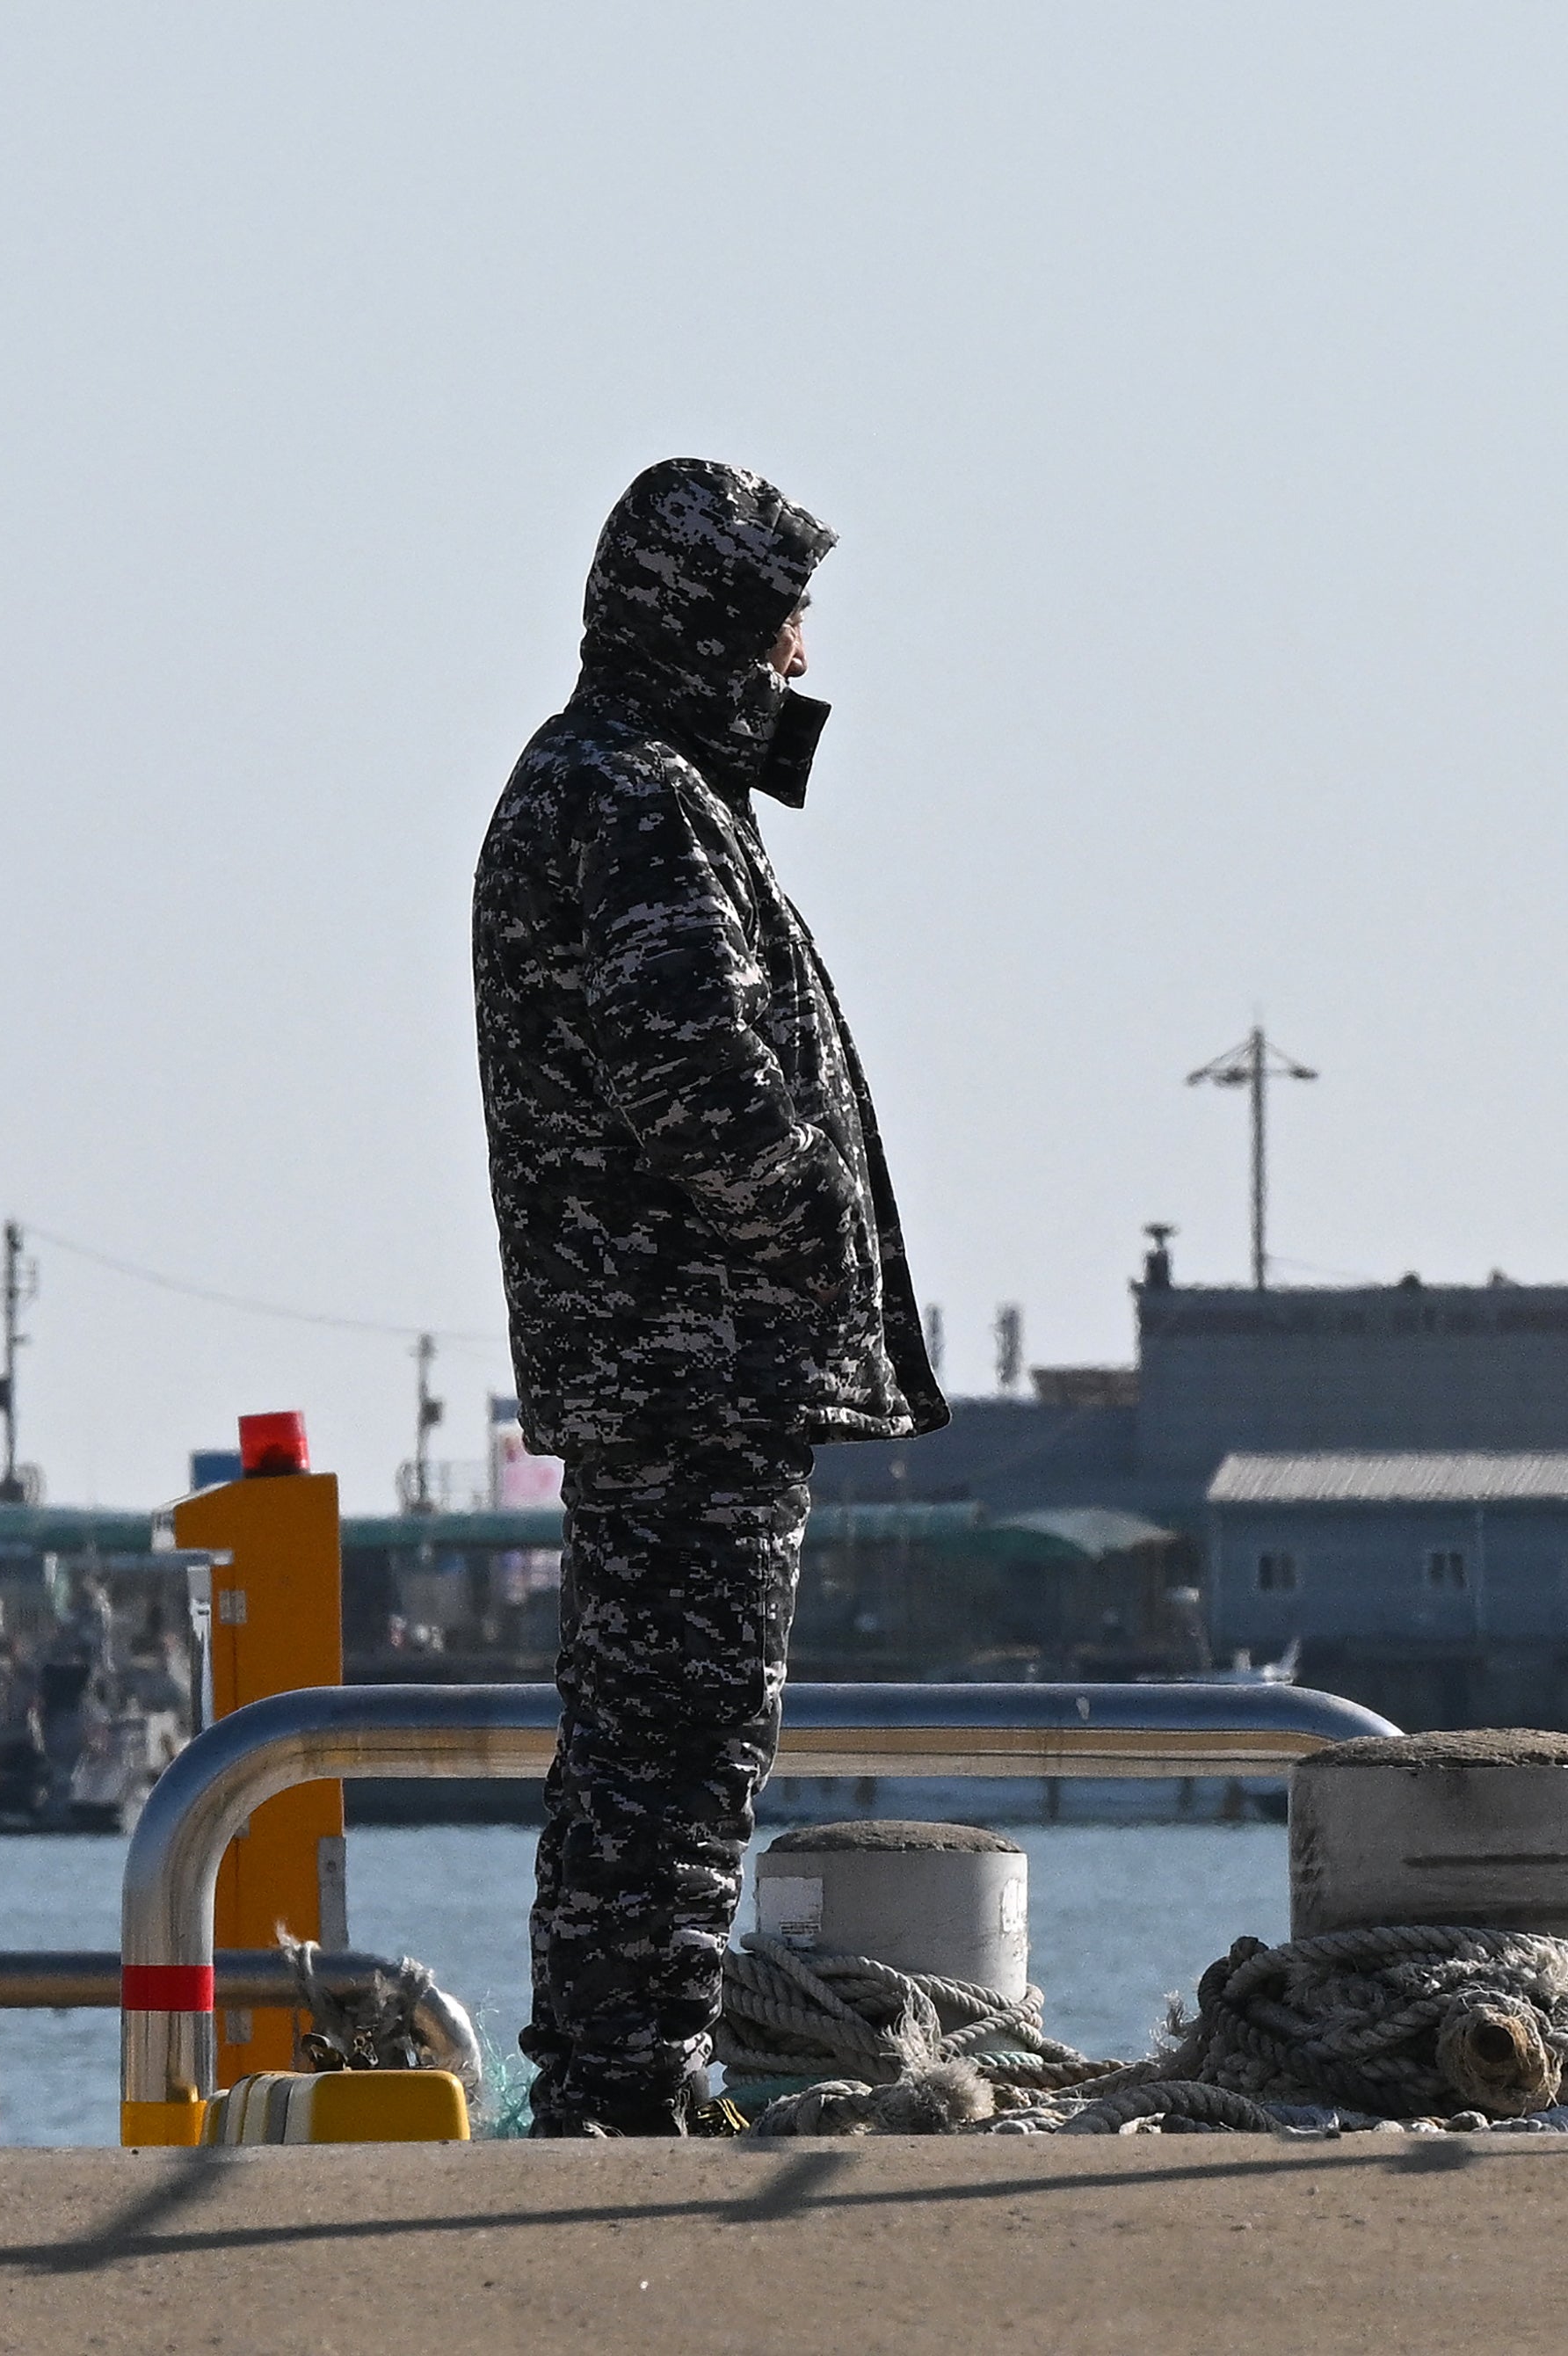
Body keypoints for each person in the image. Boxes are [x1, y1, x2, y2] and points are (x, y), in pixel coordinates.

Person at [471, 458, 947, 2136]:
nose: (802, 657)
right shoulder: (641, 797)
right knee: (677, 1752)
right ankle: (628, 2083)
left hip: (663, 1359)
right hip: (695, 1365)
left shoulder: (615, 784)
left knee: (646, 1747)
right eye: (780, 621)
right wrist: (818, 1250)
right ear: (712, 628)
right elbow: (701, 1083)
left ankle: (617, 2070)